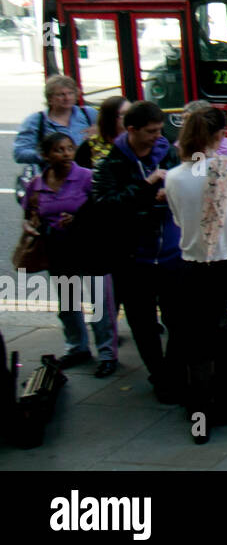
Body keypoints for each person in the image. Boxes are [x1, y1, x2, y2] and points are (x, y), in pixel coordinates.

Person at [164, 105, 227, 441]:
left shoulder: (175, 177)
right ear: (220, 136)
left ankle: (201, 422)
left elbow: (179, 221)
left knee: (199, 339)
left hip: (195, 266)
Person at [93, 100, 182, 401]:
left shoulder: (168, 153)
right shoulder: (112, 164)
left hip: (171, 253)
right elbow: (107, 207)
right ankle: (160, 376)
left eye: (159, 130)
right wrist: (147, 187)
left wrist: (169, 193)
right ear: (131, 130)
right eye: (150, 131)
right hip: (133, 259)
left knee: (178, 319)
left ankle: (173, 370)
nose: (157, 136)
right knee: (143, 324)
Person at [27, 132, 117, 376]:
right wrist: (31, 225)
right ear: (46, 155)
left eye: (69, 148)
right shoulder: (37, 183)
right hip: (58, 251)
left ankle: (107, 353)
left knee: (100, 304)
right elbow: (30, 214)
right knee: (67, 305)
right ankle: (77, 347)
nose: (66, 154)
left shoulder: (87, 178)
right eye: (59, 150)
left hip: (90, 249)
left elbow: (104, 211)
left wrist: (79, 219)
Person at [13, 74, 98, 166]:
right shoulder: (36, 121)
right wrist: (48, 156)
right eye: (61, 94)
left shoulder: (89, 114)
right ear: (50, 98)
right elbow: (19, 153)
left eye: (70, 93)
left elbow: (112, 138)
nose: (67, 98)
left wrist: (101, 131)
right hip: (53, 176)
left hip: (86, 174)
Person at [74, 95, 128, 170]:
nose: (130, 116)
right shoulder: (90, 145)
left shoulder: (137, 141)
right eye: (124, 114)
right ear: (110, 118)